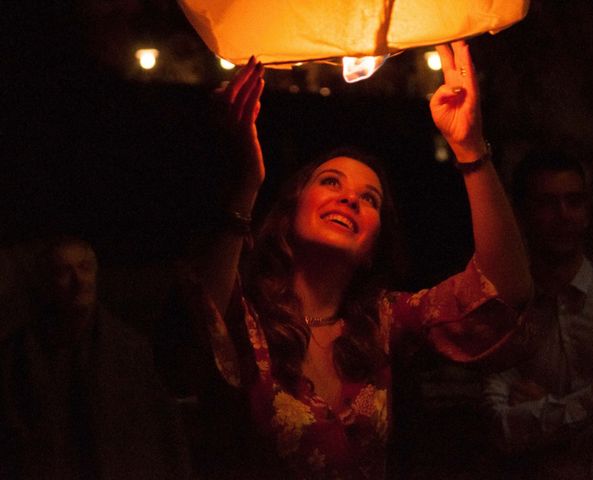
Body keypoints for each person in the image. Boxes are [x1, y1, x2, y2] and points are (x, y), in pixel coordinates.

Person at [183, 41, 532, 479]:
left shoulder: (385, 322)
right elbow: (200, 328)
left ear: (373, 247)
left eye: (370, 199)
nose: (349, 198)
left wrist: (470, 148)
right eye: (331, 182)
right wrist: (245, 185)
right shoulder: (246, 320)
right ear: (290, 212)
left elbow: (504, 292)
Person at [482, 150, 593, 479]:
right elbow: (501, 430)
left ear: (587, 211)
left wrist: (550, 408)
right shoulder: (503, 310)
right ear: (521, 214)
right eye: (546, 203)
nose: (563, 215)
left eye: (574, 201)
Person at [0, 235, 190, 479]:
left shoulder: (130, 350)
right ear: (46, 284)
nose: (78, 280)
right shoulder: (16, 361)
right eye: (64, 272)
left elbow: (163, 433)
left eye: (85, 268)